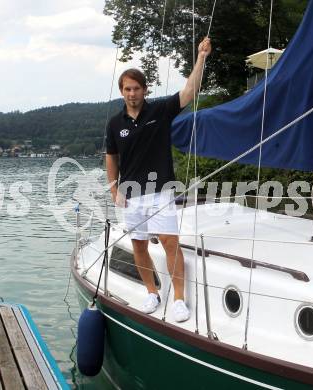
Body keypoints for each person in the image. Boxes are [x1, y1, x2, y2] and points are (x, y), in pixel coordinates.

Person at [106, 38, 212, 322]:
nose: (132, 93)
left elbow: (190, 91)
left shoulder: (160, 111)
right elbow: (111, 156)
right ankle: (152, 292)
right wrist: (113, 188)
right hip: (130, 195)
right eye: (127, 89)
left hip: (160, 190)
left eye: (136, 88)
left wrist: (201, 57)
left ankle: (178, 299)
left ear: (144, 90)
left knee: (168, 242)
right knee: (139, 245)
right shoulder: (115, 123)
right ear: (121, 91)